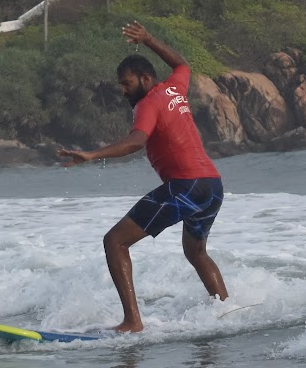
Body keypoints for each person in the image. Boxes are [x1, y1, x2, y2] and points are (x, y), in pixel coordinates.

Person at [58, 21, 228, 333]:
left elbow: (136, 141)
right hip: (212, 187)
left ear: (145, 78)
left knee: (115, 241)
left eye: (127, 83)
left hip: (185, 186)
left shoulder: (148, 104)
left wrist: (91, 155)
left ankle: (133, 322)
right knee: (196, 252)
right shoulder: (175, 89)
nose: (123, 90)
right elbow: (181, 64)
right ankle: (226, 313)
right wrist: (148, 39)